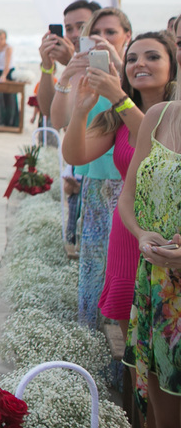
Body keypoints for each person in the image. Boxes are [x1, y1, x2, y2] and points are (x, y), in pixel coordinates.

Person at [65, 31, 177, 343]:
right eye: (132, 58)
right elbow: (74, 155)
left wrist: (119, 97)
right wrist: (81, 110)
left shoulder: (175, 115)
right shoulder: (115, 117)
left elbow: (158, 147)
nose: (140, 63)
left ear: (172, 66)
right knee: (134, 342)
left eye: (152, 57)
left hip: (168, 235)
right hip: (128, 232)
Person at [59, 7, 134, 328]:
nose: (103, 40)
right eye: (96, 34)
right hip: (98, 185)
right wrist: (64, 78)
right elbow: (69, 138)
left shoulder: (134, 87)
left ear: (126, 36)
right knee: (95, 270)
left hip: (135, 200)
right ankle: (92, 338)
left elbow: (146, 138)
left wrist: (120, 74)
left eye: (111, 33)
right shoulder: (91, 83)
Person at [118, 97, 181, 421]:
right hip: (157, 284)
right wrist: (141, 234)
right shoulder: (158, 116)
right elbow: (127, 197)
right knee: (163, 417)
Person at [36, 0, 100, 130]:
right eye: (69, 29)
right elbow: (49, 110)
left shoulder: (108, 64)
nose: (75, 34)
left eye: (82, 27)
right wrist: (47, 66)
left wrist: (70, 62)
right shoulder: (72, 67)